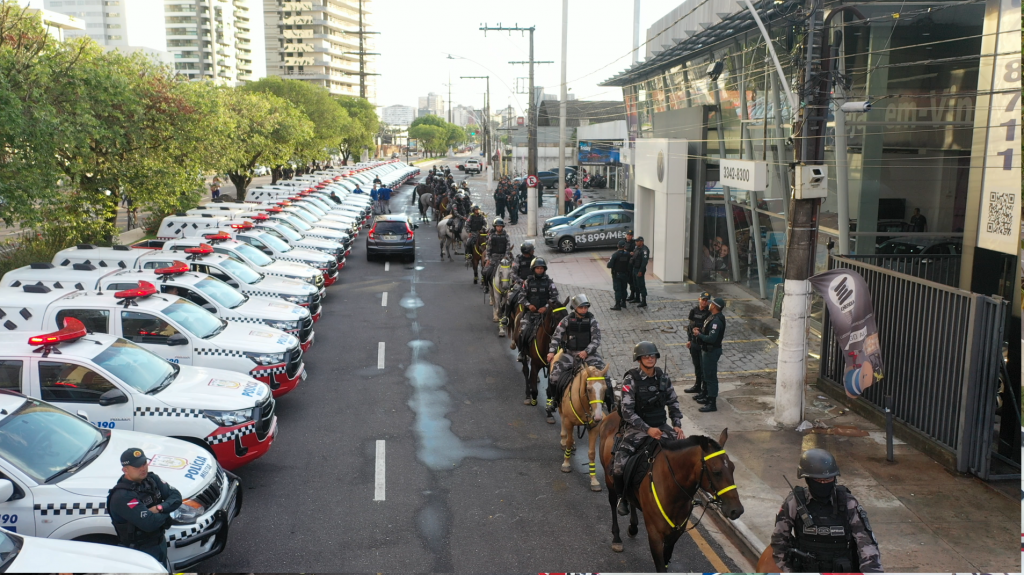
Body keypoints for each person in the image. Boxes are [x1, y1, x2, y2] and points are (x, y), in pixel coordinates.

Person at [771, 449, 882, 573]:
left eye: (828, 480)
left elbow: (867, 543)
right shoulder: (794, 502)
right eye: (818, 481)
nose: (823, 484)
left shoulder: (848, 503)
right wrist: (788, 571)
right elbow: (779, 541)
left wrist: (871, 571)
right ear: (808, 479)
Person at [612, 341, 684, 515]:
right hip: (637, 428)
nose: (650, 359)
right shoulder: (631, 379)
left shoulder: (663, 378)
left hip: (661, 426)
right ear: (639, 359)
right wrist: (647, 429)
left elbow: (673, 402)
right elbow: (627, 411)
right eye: (646, 356)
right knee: (619, 465)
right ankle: (622, 497)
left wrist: (676, 425)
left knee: (684, 457)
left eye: (652, 356)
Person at [107, 448, 183, 568]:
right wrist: (167, 511)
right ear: (125, 470)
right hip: (140, 551)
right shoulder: (122, 496)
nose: (143, 468)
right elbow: (149, 523)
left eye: (144, 463)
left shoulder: (152, 479)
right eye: (137, 466)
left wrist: (159, 508)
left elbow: (177, 497)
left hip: (159, 542)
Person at [544, 294, 606, 412]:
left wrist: (586, 351)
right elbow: (557, 336)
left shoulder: (592, 321)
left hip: (589, 354)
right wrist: (551, 352)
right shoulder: (566, 320)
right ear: (575, 308)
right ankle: (554, 399)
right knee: (554, 375)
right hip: (569, 353)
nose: (584, 310)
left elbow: (596, 340)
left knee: (604, 376)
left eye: (586, 307)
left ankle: (610, 402)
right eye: (581, 307)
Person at [515, 257, 559, 361]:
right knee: (523, 331)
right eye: (537, 268)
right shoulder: (527, 282)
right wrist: (529, 305)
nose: (539, 270)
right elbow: (521, 297)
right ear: (533, 269)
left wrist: (546, 307)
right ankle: (522, 352)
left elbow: (554, 298)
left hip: (546, 315)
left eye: (541, 268)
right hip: (530, 314)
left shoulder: (549, 283)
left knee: (558, 331)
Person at [691, 296, 726, 412]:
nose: (709, 304)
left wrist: (699, 335)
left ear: (715, 306)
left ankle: (712, 403)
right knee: (706, 375)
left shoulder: (716, 321)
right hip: (707, 350)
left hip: (711, 351)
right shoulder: (713, 317)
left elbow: (711, 338)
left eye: (711, 303)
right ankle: (706, 396)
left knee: (710, 377)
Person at [683, 292, 712, 400]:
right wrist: (689, 340)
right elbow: (690, 327)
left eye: (706, 300)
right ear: (699, 299)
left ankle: (704, 390)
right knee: (697, 366)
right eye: (703, 299)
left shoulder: (709, 313)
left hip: (703, 344)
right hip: (694, 343)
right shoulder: (694, 311)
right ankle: (697, 386)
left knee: (703, 367)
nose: (705, 302)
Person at [481, 218, 511, 294]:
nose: (499, 228)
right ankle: (486, 286)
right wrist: (488, 259)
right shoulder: (492, 236)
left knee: (511, 271)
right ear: (495, 227)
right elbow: (488, 248)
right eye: (497, 226)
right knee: (485, 271)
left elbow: (508, 247)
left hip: (504, 258)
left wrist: (506, 256)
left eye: (500, 226)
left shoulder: (506, 236)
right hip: (494, 258)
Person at [607, 240, 631, 310]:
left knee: (617, 289)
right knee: (624, 288)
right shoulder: (628, 254)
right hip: (625, 274)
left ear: (618, 246)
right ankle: (623, 302)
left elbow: (609, 265)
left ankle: (617, 304)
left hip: (617, 275)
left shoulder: (615, 255)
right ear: (624, 247)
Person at [629, 236, 650, 307]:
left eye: (637, 241)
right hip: (634, 268)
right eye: (636, 241)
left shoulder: (645, 250)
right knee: (635, 284)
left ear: (641, 242)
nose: (636, 242)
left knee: (641, 285)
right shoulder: (636, 248)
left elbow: (644, 262)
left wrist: (641, 271)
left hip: (639, 269)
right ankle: (637, 298)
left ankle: (644, 301)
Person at [623, 231, 637, 302]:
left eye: (630, 235)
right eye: (628, 235)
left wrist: (626, 252)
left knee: (631, 280)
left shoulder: (634, 243)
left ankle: (632, 294)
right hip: (624, 263)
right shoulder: (623, 241)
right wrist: (628, 252)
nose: (629, 236)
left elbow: (633, 253)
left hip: (631, 264)